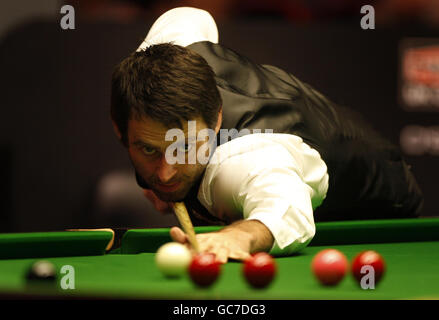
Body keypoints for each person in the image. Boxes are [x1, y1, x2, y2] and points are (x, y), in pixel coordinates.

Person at [110, 7, 423, 263]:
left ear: (217, 120)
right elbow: (189, 17)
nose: (166, 173)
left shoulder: (244, 159)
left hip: (376, 205)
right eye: (149, 150)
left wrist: (239, 235)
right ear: (118, 128)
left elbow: (285, 209)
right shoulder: (167, 51)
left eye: (186, 146)